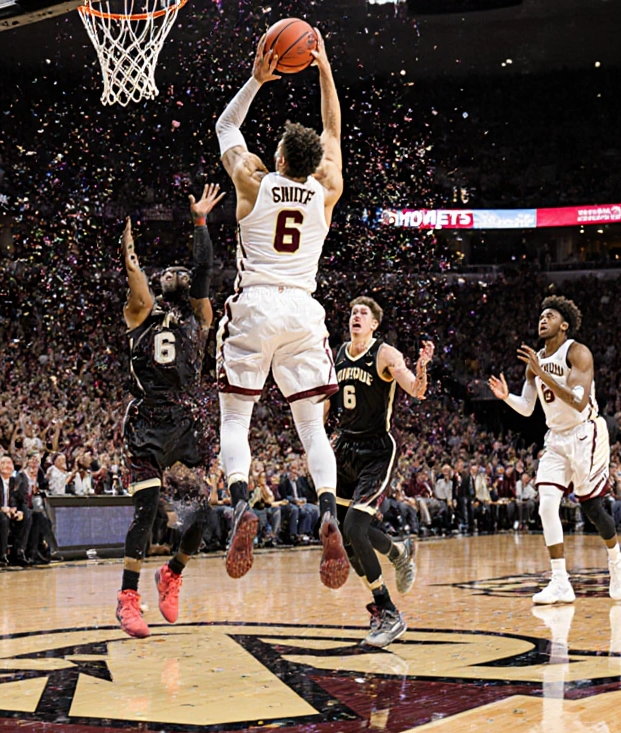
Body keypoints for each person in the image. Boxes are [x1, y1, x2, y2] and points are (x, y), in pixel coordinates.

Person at [214, 31, 347, 582]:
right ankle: (329, 513)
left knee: (236, 416)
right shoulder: (328, 187)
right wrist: (323, 71)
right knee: (312, 428)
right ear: (312, 164)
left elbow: (226, 127)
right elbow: (334, 129)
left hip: (256, 303)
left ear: (279, 156)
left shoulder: (252, 180)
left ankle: (243, 503)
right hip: (303, 309)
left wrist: (257, 80)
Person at [114, 185, 223, 638]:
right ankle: (127, 598)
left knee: (205, 513)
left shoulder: (200, 314)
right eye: (170, 271)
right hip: (147, 420)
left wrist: (200, 223)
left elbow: (203, 269)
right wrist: (128, 251)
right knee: (146, 511)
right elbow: (134, 273)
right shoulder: (141, 311)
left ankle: (173, 573)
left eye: (183, 272)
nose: (178, 274)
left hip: (185, 419)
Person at [488, 296, 621, 604]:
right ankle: (560, 581)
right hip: (556, 437)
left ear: (563, 325)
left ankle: (616, 561)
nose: (542, 320)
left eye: (549, 316)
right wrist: (505, 397)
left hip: (585, 432)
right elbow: (526, 408)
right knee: (546, 504)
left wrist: (541, 372)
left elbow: (578, 401)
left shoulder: (577, 352)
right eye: (540, 316)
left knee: (592, 507)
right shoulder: (536, 361)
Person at [324, 296, 431, 647]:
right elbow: (328, 403)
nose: (356, 316)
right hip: (344, 449)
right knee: (346, 535)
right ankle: (398, 552)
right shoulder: (337, 353)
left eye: (363, 313)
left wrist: (423, 367)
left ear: (374, 324)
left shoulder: (385, 354)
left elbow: (415, 390)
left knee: (356, 527)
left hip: (377, 451)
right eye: (353, 311)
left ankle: (388, 612)